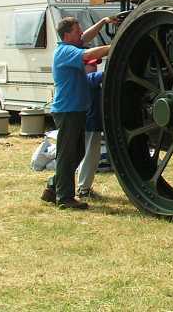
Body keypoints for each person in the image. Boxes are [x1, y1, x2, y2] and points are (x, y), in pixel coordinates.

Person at [40, 15, 117, 209]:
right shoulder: (65, 51)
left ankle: (52, 187)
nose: (80, 32)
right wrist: (116, 44)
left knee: (78, 152)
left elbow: (86, 38)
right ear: (67, 35)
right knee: (67, 154)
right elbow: (88, 52)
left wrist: (104, 21)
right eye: (76, 30)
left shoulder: (71, 46)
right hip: (68, 110)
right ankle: (64, 198)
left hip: (76, 110)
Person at [76, 59, 104, 198]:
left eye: (96, 64)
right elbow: (105, 74)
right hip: (90, 124)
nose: (95, 67)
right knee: (90, 157)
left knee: (89, 156)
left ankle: (83, 187)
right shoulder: (86, 79)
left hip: (91, 123)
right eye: (92, 64)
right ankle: (83, 189)